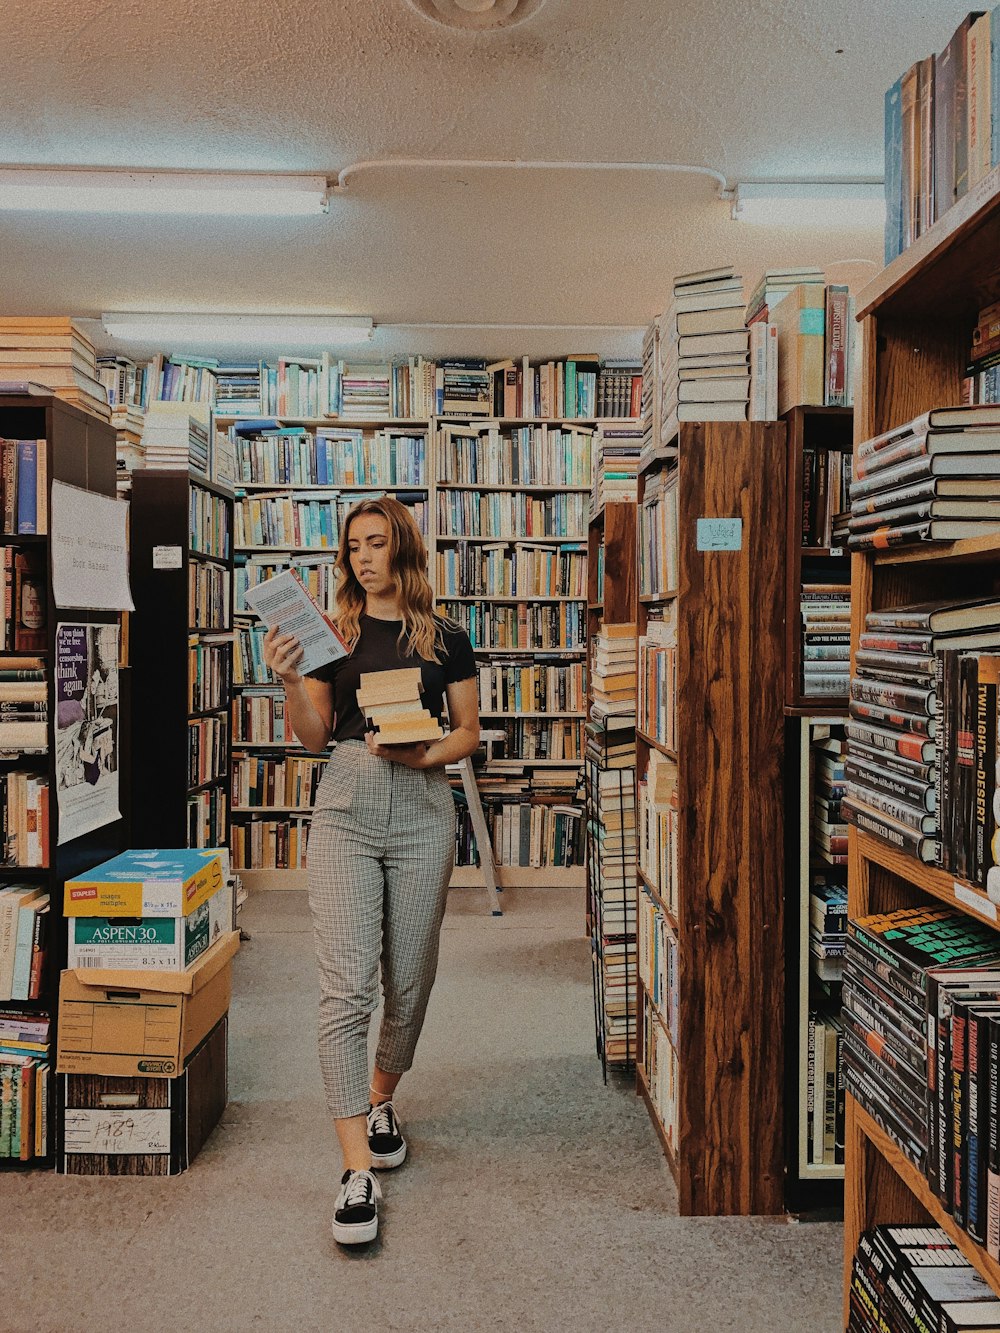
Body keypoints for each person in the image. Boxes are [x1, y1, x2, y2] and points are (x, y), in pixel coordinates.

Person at [262, 496, 480, 1246]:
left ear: (403, 550)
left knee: (411, 978)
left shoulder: (447, 636)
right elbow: (316, 735)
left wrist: (426, 754)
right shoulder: (330, 633)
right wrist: (291, 681)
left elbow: (469, 734)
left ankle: (382, 1092)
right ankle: (355, 1168)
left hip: (422, 801)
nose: (363, 556)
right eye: (353, 545)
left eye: (377, 542)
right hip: (348, 803)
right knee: (346, 985)